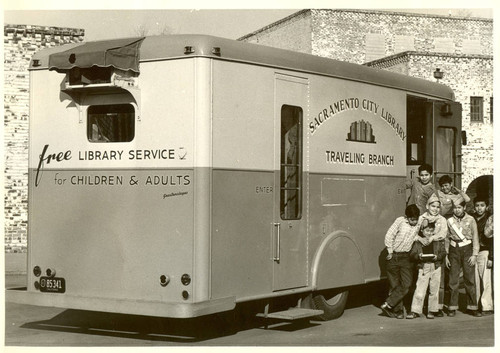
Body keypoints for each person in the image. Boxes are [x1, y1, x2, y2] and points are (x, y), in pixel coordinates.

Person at [381, 204, 421, 319]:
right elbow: (389, 235)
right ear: (406, 217)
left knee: (407, 284)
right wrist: (389, 251)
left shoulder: (419, 223)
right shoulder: (400, 221)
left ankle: (388, 304)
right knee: (395, 285)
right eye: (411, 219)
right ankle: (398, 311)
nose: (414, 222)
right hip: (394, 256)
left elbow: (417, 235)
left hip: (406, 257)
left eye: (416, 219)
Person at [446, 196, 481, 317]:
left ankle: (472, 306)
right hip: (453, 250)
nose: (457, 210)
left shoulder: (471, 220)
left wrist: (475, 254)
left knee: (469, 279)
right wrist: (446, 255)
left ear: (464, 207)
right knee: (453, 280)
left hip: (468, 249)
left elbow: (475, 237)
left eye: (459, 208)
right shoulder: (449, 221)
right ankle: (452, 306)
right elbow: (446, 238)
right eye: (455, 208)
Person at [407, 220, 446, 319]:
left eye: (431, 231)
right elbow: (412, 254)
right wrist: (418, 256)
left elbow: (443, 252)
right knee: (420, 289)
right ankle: (415, 310)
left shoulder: (437, 241)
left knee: (434, 290)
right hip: (423, 266)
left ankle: (432, 310)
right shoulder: (418, 243)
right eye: (427, 231)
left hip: (435, 266)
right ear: (422, 231)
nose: (429, 233)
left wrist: (437, 257)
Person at [419, 193, 448, 316]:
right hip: (424, 252)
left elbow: (443, 233)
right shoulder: (421, 218)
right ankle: (421, 307)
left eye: (437, 207)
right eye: (433, 206)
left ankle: (437, 307)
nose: (435, 209)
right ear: (427, 206)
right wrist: (421, 239)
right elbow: (415, 232)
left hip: (437, 250)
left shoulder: (442, 219)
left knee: (438, 282)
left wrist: (432, 238)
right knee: (422, 281)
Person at [473, 196, 493, 315]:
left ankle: (487, 306)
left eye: (482, 205)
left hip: (485, 251)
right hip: (472, 252)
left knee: (485, 279)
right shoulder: (471, 218)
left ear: (486, 207)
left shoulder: (490, 219)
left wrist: (491, 257)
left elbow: (493, 239)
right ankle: (475, 305)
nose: (479, 208)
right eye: (477, 205)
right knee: (474, 279)